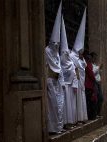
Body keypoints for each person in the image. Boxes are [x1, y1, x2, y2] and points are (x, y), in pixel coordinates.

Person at [45, 2, 65, 134]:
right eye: (55, 43)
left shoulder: (57, 53)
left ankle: (59, 127)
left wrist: (61, 80)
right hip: (51, 82)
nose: (57, 45)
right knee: (52, 106)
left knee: (60, 104)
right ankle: (52, 128)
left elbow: (60, 68)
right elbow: (50, 67)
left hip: (57, 83)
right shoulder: (47, 51)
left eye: (58, 44)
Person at [60, 17, 78, 128]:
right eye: (64, 53)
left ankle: (71, 122)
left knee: (70, 106)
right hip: (63, 87)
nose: (66, 55)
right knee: (63, 106)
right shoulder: (59, 63)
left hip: (70, 87)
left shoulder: (71, 64)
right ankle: (64, 124)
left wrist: (74, 85)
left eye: (67, 53)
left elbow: (75, 75)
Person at [85, 54, 97, 120]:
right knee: (90, 101)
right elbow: (91, 75)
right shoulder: (88, 65)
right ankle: (90, 116)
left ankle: (92, 115)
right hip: (89, 85)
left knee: (91, 100)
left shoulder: (89, 64)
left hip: (91, 85)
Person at [91, 52, 103, 117]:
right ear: (92, 58)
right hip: (94, 83)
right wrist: (99, 67)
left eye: (96, 58)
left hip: (98, 83)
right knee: (96, 98)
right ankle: (95, 114)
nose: (95, 59)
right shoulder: (90, 65)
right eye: (94, 58)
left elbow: (98, 74)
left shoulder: (95, 65)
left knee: (101, 98)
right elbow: (93, 72)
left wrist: (99, 69)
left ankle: (98, 112)